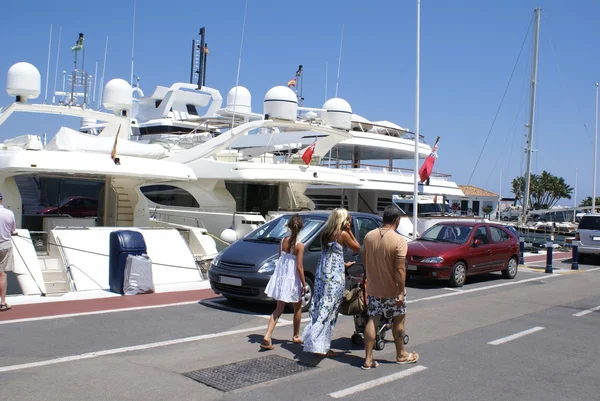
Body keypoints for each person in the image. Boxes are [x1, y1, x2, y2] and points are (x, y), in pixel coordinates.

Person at [361, 205, 419, 369]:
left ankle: (368, 359)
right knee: (398, 320)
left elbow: (364, 262)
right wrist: (400, 292)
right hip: (392, 291)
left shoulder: (368, 236)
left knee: (372, 319)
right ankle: (401, 354)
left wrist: (368, 279)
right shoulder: (399, 240)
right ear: (397, 220)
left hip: (373, 289)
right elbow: (400, 269)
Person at [303, 208, 360, 357]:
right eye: (348, 218)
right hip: (334, 278)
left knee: (320, 306)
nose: (349, 220)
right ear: (342, 220)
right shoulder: (342, 234)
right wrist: (350, 230)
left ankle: (315, 342)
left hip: (323, 274)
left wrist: (342, 263)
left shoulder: (326, 234)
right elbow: (356, 247)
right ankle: (321, 347)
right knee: (329, 311)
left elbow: (331, 254)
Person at [260, 214, 307, 350]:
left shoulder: (282, 241)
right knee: (297, 307)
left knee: (278, 309)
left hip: (282, 277)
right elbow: (299, 266)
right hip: (292, 279)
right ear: (301, 228)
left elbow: (281, 259)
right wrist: (304, 283)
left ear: (289, 226)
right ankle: (296, 335)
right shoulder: (299, 245)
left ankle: (268, 335)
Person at [0, 193, 17, 311]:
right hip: (4, 246)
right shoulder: (9, 213)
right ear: (1, 200)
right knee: (2, 274)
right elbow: (12, 230)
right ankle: (3, 302)